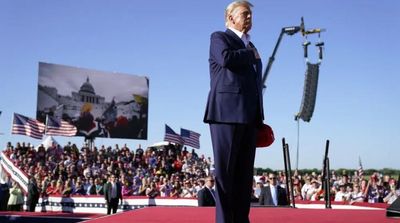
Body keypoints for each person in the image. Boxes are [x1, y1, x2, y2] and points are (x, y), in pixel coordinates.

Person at [203, 1, 263, 222]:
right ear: (230, 18)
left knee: (244, 178)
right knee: (226, 177)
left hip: (249, 117)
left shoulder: (250, 45)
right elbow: (226, 59)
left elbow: (256, 84)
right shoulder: (219, 37)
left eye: (251, 15)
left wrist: (260, 115)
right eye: (244, 14)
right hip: (225, 115)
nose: (249, 18)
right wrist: (250, 54)